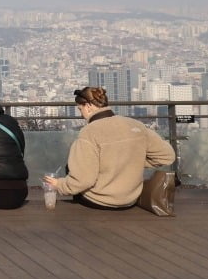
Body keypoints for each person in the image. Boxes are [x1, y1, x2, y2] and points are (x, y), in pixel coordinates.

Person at [43, 86, 176, 209]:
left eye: (80, 109)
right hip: (131, 199)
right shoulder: (136, 125)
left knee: (72, 166)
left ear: (88, 106)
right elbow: (167, 155)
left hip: (99, 200)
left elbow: (83, 180)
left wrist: (59, 185)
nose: (81, 114)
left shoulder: (88, 133)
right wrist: (133, 159)